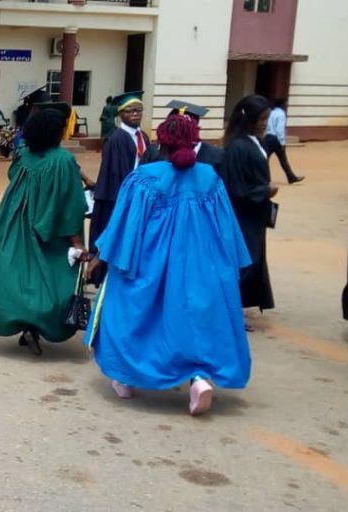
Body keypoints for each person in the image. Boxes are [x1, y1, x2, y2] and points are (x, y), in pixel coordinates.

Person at [84, 114, 252, 416]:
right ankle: (199, 378)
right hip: (199, 264)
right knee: (193, 320)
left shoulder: (144, 178)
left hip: (148, 262)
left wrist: (102, 254)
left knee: (130, 313)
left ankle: (125, 378)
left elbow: (124, 226)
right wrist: (229, 265)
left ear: (160, 140)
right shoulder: (210, 178)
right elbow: (226, 231)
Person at [0, 104, 87, 354]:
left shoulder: (23, 153)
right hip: (49, 226)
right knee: (49, 277)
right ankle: (37, 324)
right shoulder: (63, 160)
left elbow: (13, 175)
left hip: (13, 223)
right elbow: (69, 205)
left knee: (17, 274)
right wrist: (76, 241)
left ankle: (23, 322)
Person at [218, 94, 278, 314]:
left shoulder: (257, 142)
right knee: (244, 261)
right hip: (242, 214)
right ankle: (226, 309)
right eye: (262, 119)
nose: (265, 123)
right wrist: (264, 190)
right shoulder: (237, 147)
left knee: (254, 259)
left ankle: (236, 306)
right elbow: (235, 185)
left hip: (255, 212)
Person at [89, 91, 155, 284]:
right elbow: (115, 174)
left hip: (140, 196)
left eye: (138, 110)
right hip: (119, 198)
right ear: (120, 114)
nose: (135, 114)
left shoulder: (143, 137)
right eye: (129, 111)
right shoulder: (116, 139)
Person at [264, 98, 305, 184]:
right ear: (282, 105)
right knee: (283, 159)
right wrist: (282, 142)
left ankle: (266, 178)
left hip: (268, 137)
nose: (287, 106)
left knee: (265, 158)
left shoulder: (271, 112)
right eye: (286, 104)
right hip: (276, 138)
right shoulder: (281, 114)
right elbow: (279, 129)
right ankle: (291, 177)